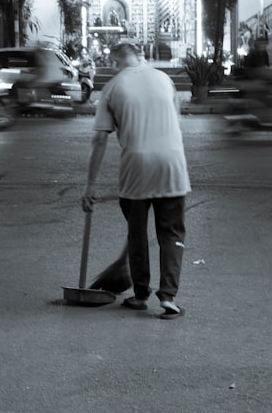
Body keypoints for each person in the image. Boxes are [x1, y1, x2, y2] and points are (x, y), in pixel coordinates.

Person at [81, 41, 191, 319]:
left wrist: (90, 186)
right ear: (139, 58)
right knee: (172, 233)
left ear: (115, 62)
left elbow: (99, 140)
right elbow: (174, 124)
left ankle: (140, 294)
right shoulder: (165, 79)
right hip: (172, 165)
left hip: (136, 169)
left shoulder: (113, 87)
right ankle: (168, 297)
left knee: (137, 233)